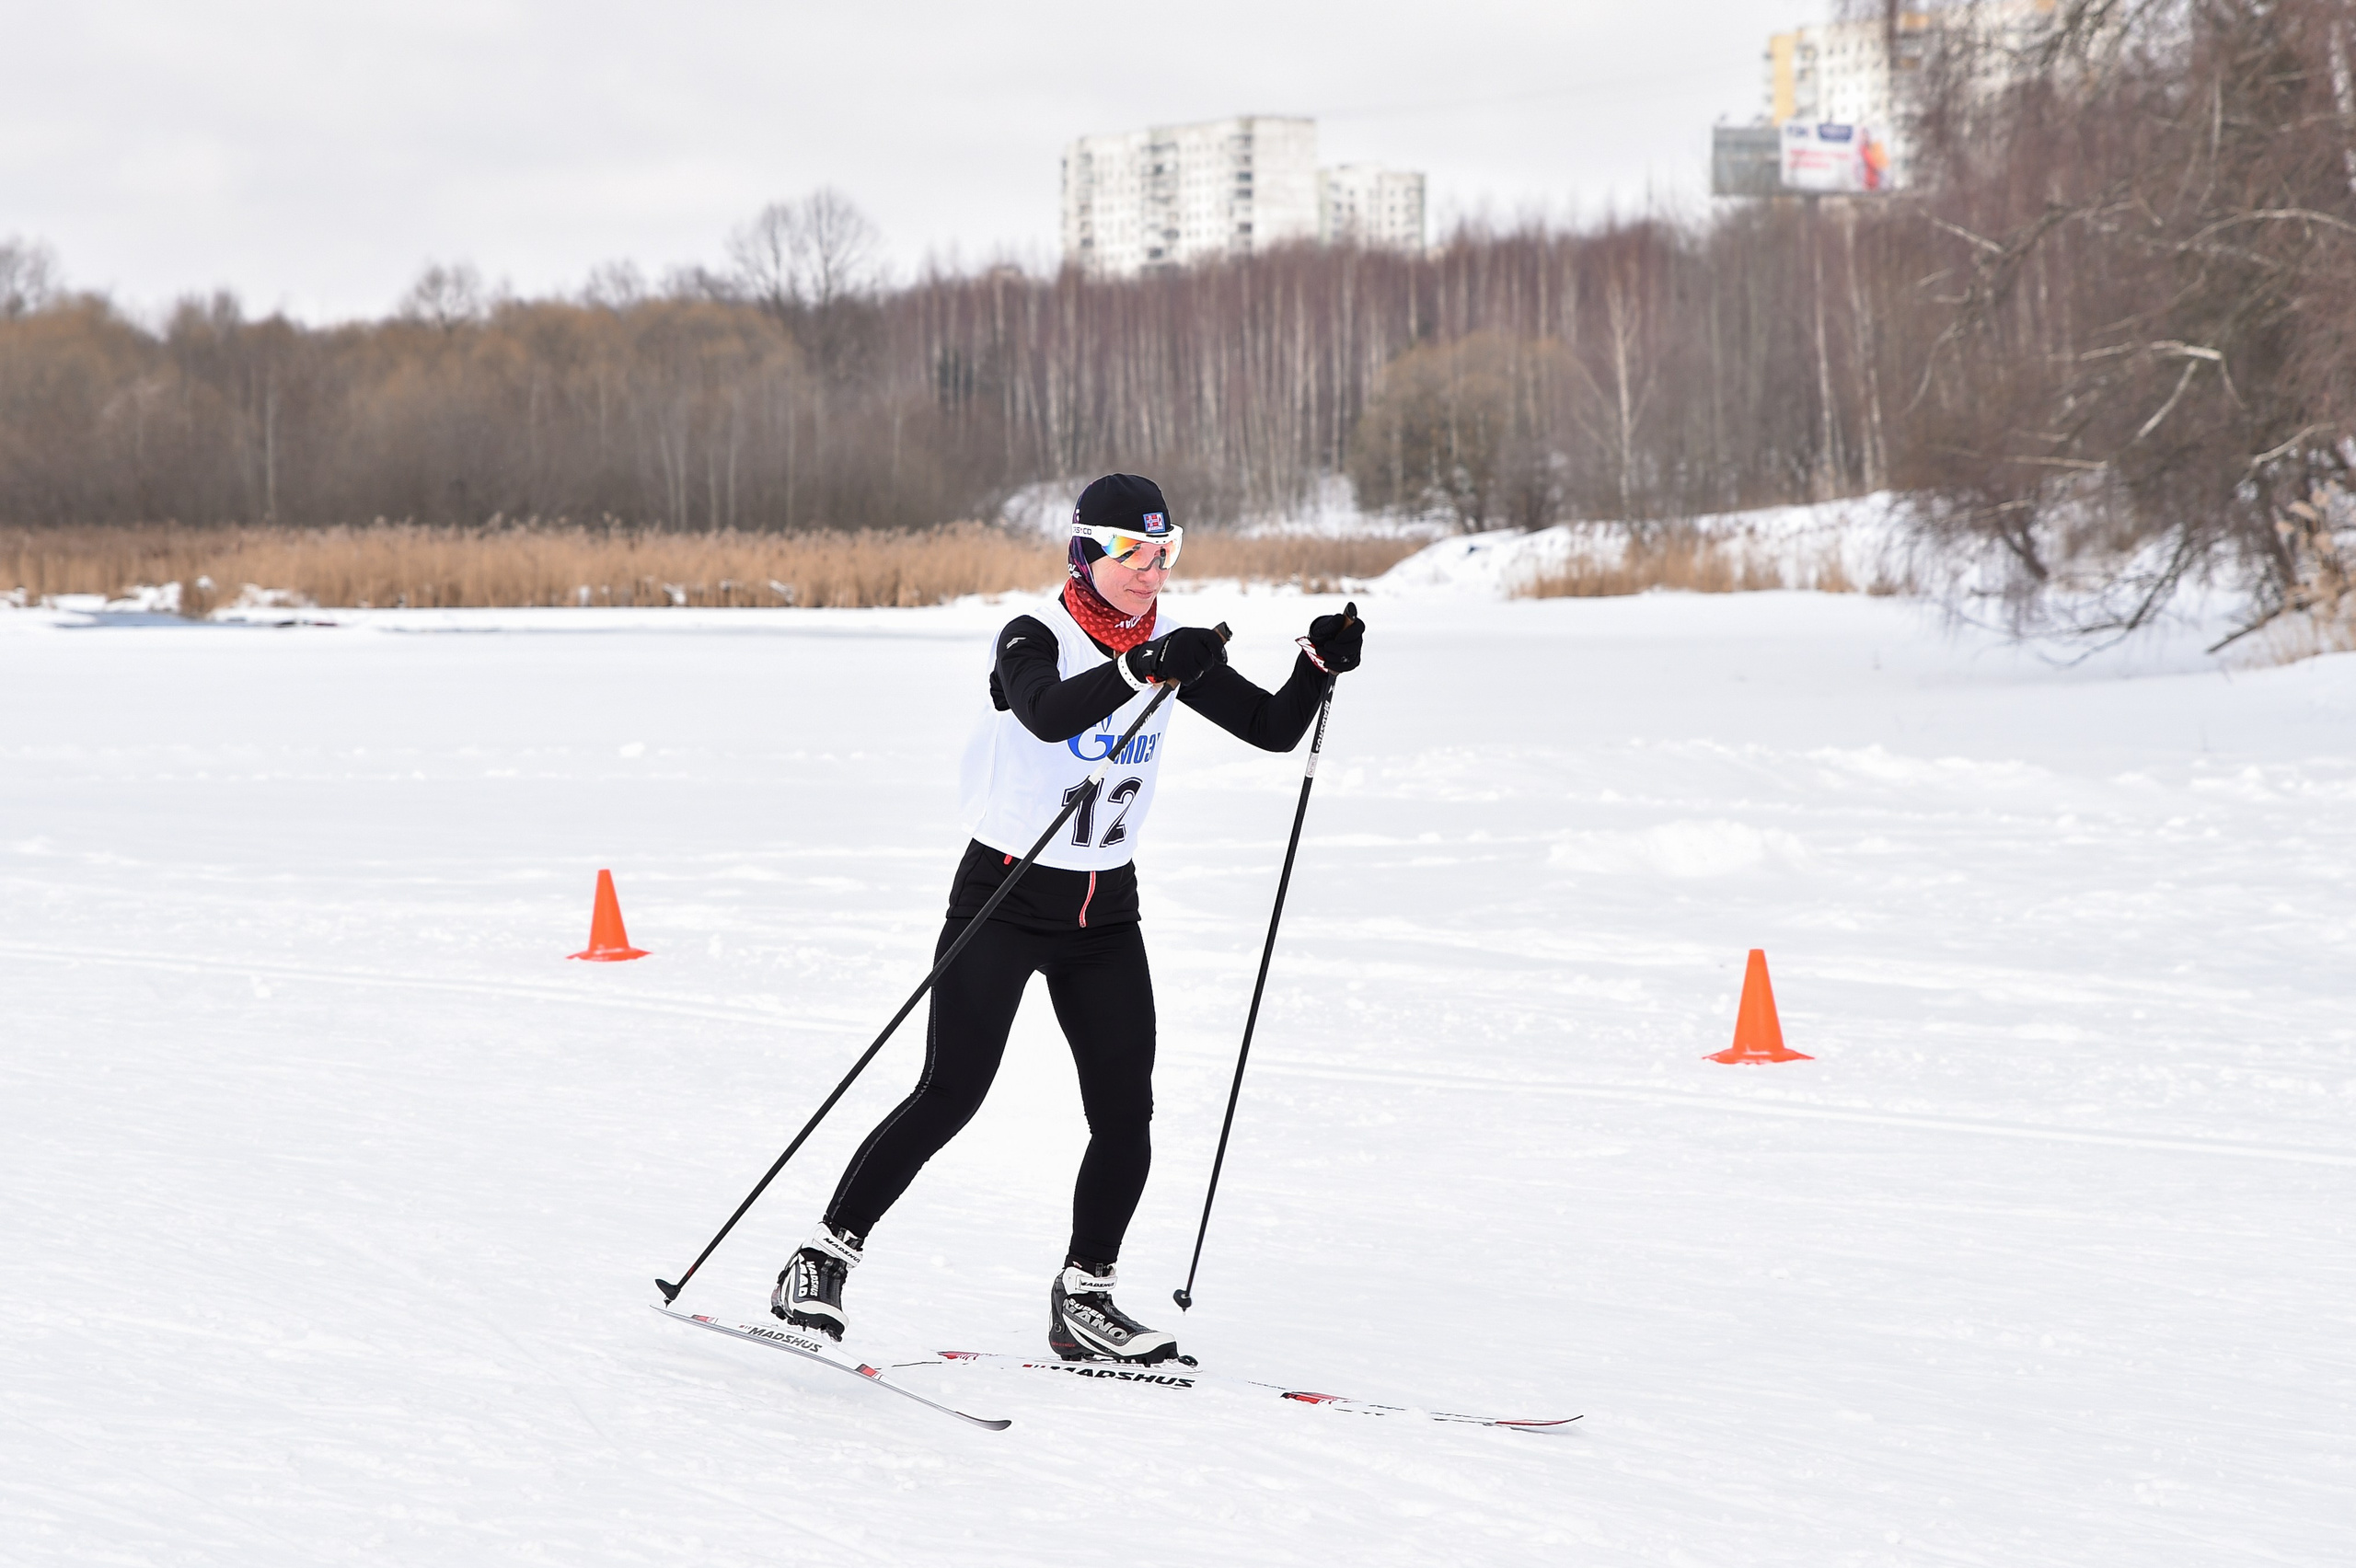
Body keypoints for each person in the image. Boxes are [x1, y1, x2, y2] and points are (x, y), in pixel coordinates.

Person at [772, 473, 1365, 1365]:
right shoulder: (1030, 634)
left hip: (1104, 910)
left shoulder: (1169, 642)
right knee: (951, 1093)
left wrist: (1315, 668)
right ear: (1085, 551)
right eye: (1131, 553)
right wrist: (1140, 668)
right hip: (1006, 895)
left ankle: (1084, 1298)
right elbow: (1047, 716)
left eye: (1165, 553)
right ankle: (819, 1258)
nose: (1150, 571)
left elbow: (1271, 727)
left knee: (1127, 1113)